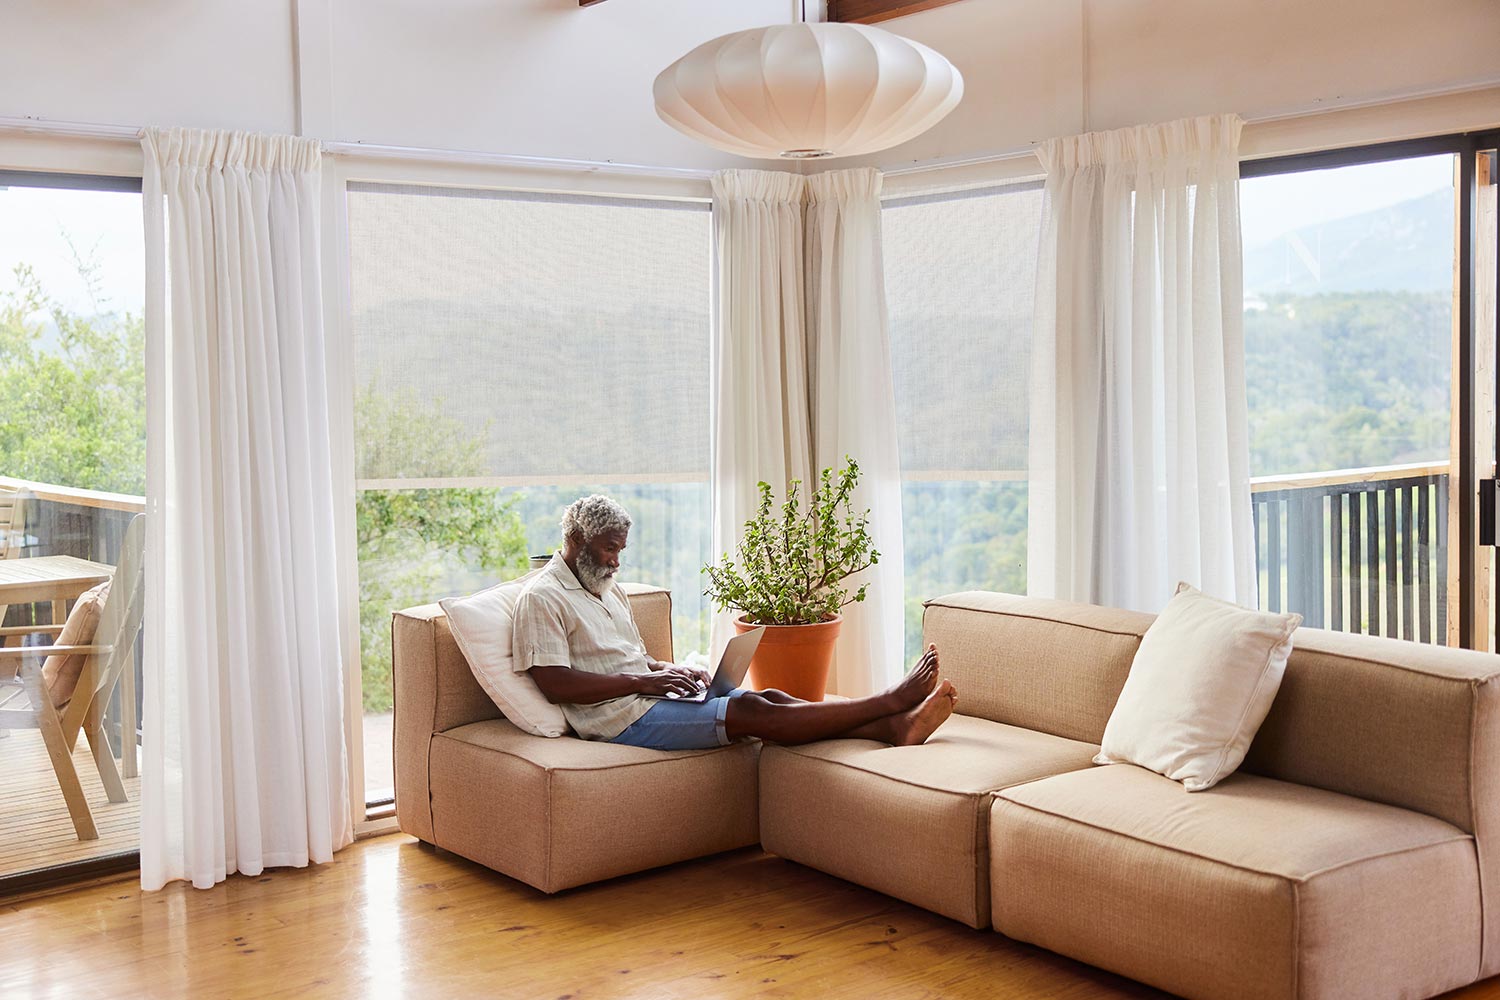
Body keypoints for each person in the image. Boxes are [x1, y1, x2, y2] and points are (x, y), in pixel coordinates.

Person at [511, 494, 958, 752]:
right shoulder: (542, 596)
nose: (615, 560)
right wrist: (640, 682)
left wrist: (662, 670)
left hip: (643, 696)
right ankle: (888, 703)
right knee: (751, 711)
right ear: (574, 539)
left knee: (772, 696)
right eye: (609, 548)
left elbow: (629, 657)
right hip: (616, 720)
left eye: (620, 549)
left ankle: (893, 729)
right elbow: (554, 683)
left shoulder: (610, 588)